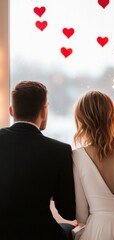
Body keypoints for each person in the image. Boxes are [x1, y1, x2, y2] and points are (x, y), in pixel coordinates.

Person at [0, 80, 75, 240]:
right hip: (40, 234)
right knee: (69, 229)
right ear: (43, 111)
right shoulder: (59, 150)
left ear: (11, 111)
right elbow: (68, 212)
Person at [72, 90, 114, 240]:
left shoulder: (78, 156)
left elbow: (81, 215)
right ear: (112, 117)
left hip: (101, 232)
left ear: (82, 121)